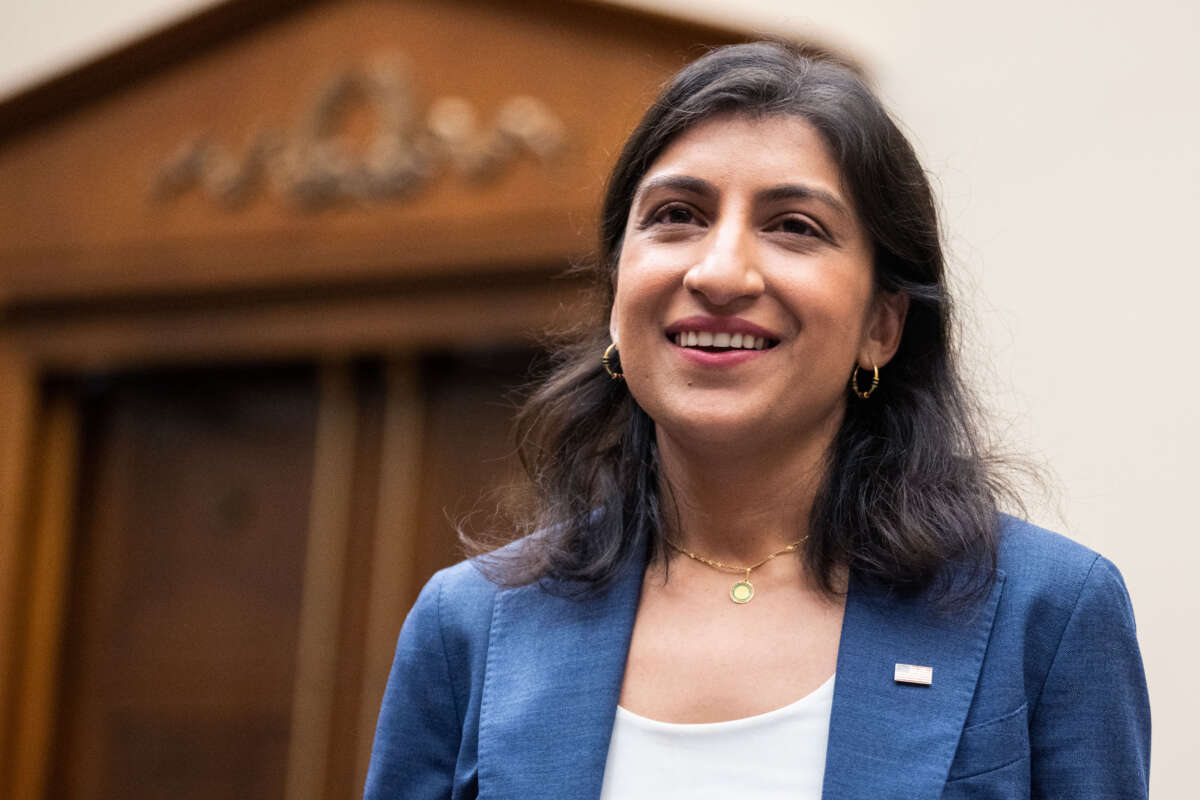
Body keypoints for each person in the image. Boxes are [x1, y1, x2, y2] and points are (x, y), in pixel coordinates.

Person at [363, 42, 1150, 799]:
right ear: (614, 299)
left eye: (793, 227)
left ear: (883, 324)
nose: (719, 272)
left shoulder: (1047, 615)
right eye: (677, 215)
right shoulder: (468, 627)